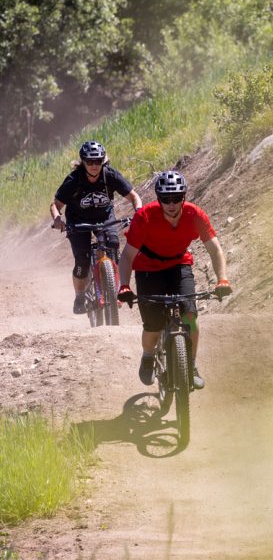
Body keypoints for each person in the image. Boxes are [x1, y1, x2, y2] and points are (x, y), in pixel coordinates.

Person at [116, 170, 231, 390]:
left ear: (184, 196)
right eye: (166, 199)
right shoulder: (145, 217)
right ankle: (148, 356)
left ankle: (191, 366)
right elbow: (127, 256)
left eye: (176, 198)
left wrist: (222, 280)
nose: (171, 204)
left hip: (178, 264)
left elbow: (215, 250)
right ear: (158, 198)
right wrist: (124, 285)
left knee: (190, 317)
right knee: (153, 325)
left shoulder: (194, 214)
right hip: (148, 268)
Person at [51, 140, 142, 314]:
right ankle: (79, 296)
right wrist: (57, 219)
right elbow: (55, 204)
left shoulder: (110, 175)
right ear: (83, 162)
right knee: (82, 262)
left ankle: (113, 285)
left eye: (98, 161)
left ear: (103, 161)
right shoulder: (74, 180)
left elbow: (134, 197)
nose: (94, 165)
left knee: (113, 244)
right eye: (90, 161)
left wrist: (139, 212)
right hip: (78, 221)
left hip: (104, 218)